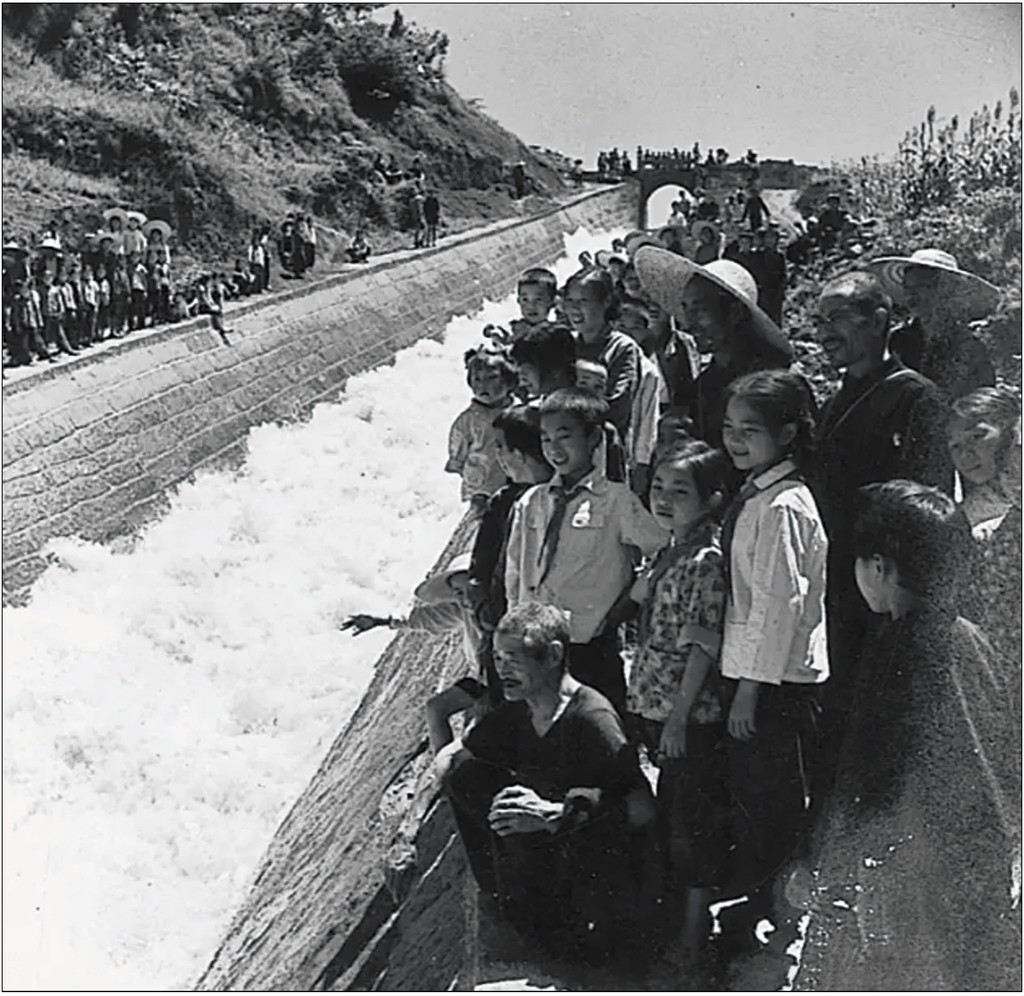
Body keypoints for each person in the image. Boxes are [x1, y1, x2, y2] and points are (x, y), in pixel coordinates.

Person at [796, 481, 1019, 992]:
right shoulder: (970, 638)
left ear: (879, 568)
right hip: (976, 861)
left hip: (914, 876)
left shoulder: (901, 647)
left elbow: (872, 769)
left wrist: (829, 859)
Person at [441, 603, 663, 967]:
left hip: (605, 870)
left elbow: (642, 809)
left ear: (553, 656)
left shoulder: (592, 719)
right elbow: (459, 759)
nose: (503, 669)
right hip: (559, 855)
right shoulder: (522, 708)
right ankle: (510, 904)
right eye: (498, 658)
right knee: (468, 779)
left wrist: (556, 814)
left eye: (514, 658)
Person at [716, 369, 829, 962]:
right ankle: (759, 909)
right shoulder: (759, 493)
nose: (736, 440)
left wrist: (749, 693)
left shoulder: (783, 505)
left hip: (774, 684)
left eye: (750, 431)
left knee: (773, 806)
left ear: (786, 433)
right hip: (755, 677)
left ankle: (778, 924)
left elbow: (778, 603)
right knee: (756, 801)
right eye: (730, 428)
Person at [810, 271, 954, 720]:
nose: (823, 333)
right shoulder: (835, 401)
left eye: (836, 318)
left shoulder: (917, 398)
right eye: (819, 321)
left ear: (877, 321)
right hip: (836, 582)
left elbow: (927, 505)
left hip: (883, 591)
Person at [624, 440, 731, 973]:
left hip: (683, 718)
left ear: (711, 498)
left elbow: (702, 645)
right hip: (658, 709)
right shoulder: (671, 548)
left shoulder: (706, 560)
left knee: (691, 827)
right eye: (659, 487)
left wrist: (679, 718)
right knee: (673, 820)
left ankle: (693, 937)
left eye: (679, 491)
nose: (664, 499)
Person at [505, 389, 668, 712]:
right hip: (535, 643)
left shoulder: (616, 501)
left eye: (564, 437)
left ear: (593, 438)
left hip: (589, 643)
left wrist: (629, 601)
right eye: (546, 439)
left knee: (602, 723)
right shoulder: (532, 502)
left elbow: (663, 550)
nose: (554, 449)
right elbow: (514, 571)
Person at [634, 247, 793, 447]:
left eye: (700, 310)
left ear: (734, 312)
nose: (688, 323)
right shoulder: (702, 386)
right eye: (686, 310)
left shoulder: (774, 383)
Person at [869, 247, 998, 400]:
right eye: (907, 288)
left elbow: (983, 404)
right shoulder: (896, 340)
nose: (911, 295)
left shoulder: (970, 348)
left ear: (944, 291)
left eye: (921, 287)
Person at [564, 267, 643, 442]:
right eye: (570, 300)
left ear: (606, 301)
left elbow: (617, 407)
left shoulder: (622, 347)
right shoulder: (567, 343)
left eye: (583, 300)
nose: (574, 309)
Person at [446, 344, 518, 510]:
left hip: (514, 477)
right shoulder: (468, 420)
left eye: (491, 378)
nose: (483, 386)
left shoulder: (518, 412)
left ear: (509, 381)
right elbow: (458, 450)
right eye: (477, 379)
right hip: (482, 484)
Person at [946, 386, 1021, 538]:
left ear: (1012, 431)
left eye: (976, 437)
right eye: (955, 446)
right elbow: (966, 516)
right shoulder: (1004, 481)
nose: (965, 454)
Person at [758, 227, 787, 326]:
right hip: (763, 289)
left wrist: (781, 288)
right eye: (768, 238)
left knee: (776, 315)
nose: (770, 240)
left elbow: (783, 274)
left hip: (776, 289)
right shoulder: (759, 255)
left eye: (772, 238)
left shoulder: (779, 256)